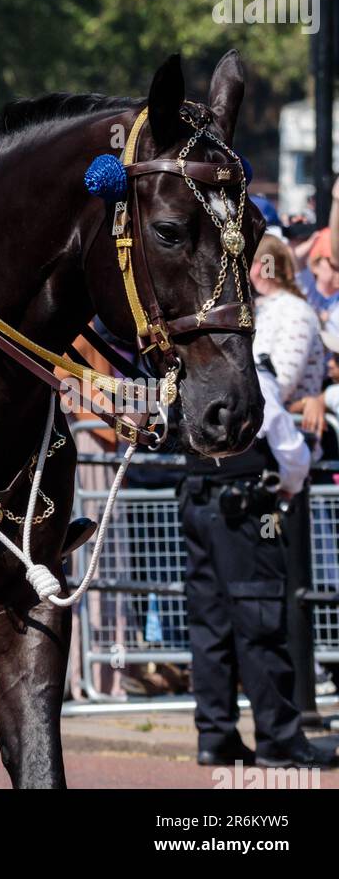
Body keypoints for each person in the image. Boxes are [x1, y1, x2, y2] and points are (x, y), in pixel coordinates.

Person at [180, 234, 334, 768]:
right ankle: (279, 739)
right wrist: (289, 480)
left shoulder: (206, 332)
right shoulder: (255, 336)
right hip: (248, 495)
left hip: (199, 486)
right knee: (260, 617)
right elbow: (273, 418)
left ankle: (215, 734)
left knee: (211, 622)